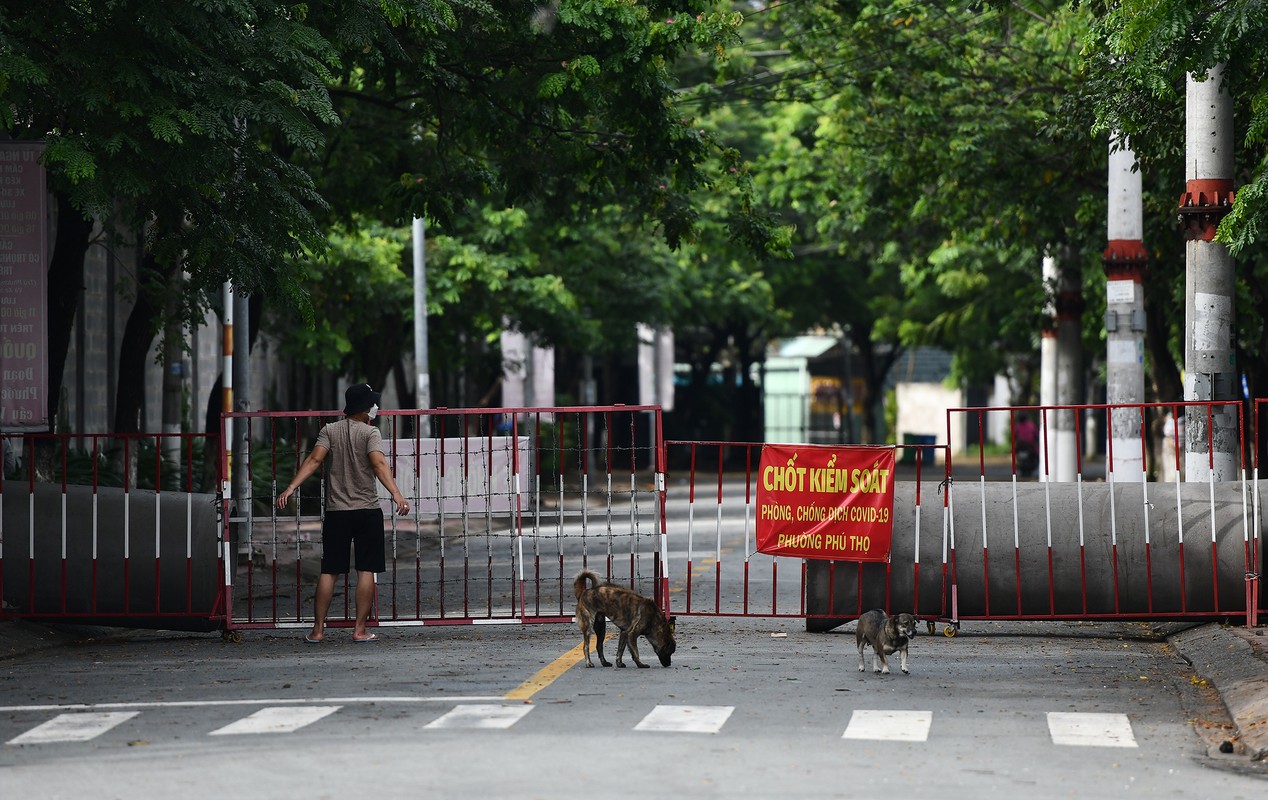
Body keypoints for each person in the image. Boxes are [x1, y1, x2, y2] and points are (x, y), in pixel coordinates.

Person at [276, 383, 409, 643]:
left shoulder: (330, 431)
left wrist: (291, 487)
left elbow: (314, 460)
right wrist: (396, 493)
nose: (375, 407)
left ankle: (317, 631)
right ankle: (359, 630)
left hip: (337, 512)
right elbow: (379, 463)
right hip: (367, 510)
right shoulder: (371, 433)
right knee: (366, 570)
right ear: (363, 408)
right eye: (371, 403)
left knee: (330, 570)